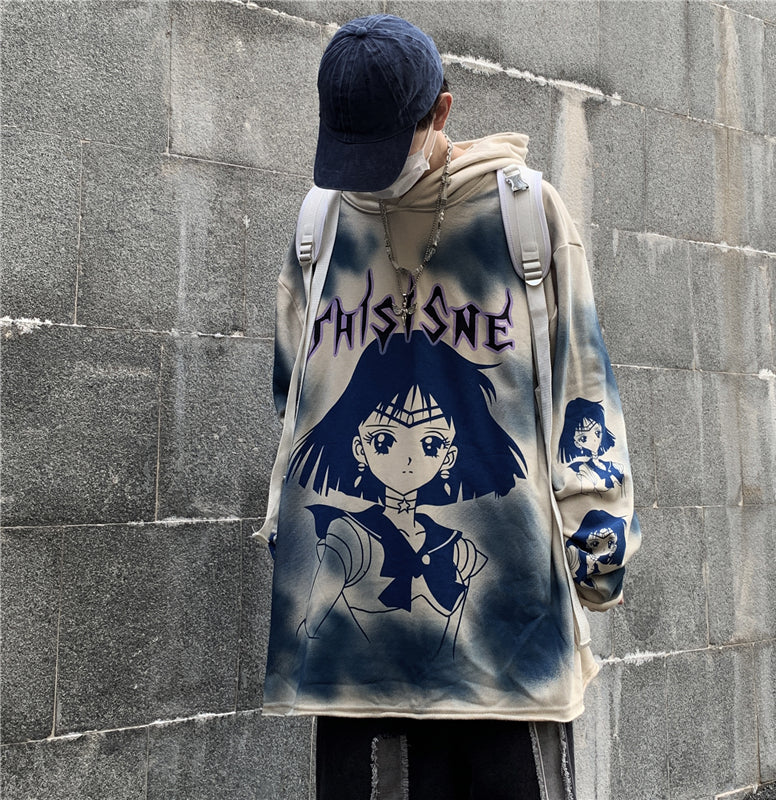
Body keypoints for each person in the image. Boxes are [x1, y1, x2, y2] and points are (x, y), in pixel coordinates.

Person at [256, 14, 641, 800]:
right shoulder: (320, 223)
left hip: (505, 645)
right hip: (356, 662)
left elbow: (583, 391)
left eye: (383, 149)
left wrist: (599, 551)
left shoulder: (525, 216)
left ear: (441, 112)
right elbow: (293, 395)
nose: (366, 175)